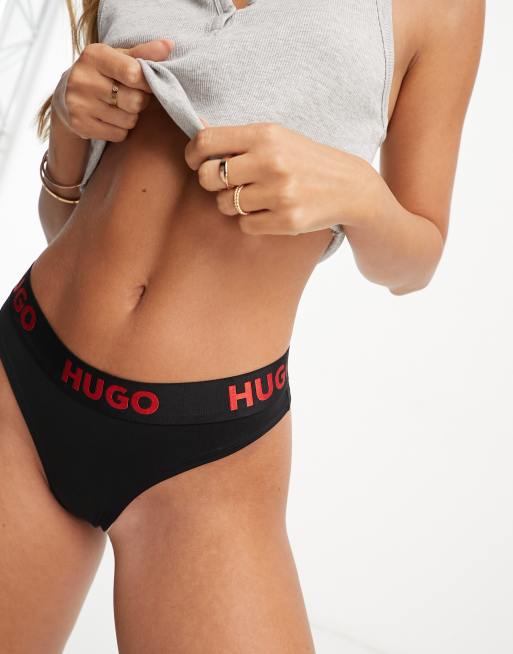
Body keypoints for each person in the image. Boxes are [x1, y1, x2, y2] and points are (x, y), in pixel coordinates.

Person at [0, 0, 484, 652]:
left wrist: (360, 195)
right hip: (26, 382)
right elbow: (69, 226)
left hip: (207, 458)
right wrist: (65, 126)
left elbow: (414, 263)